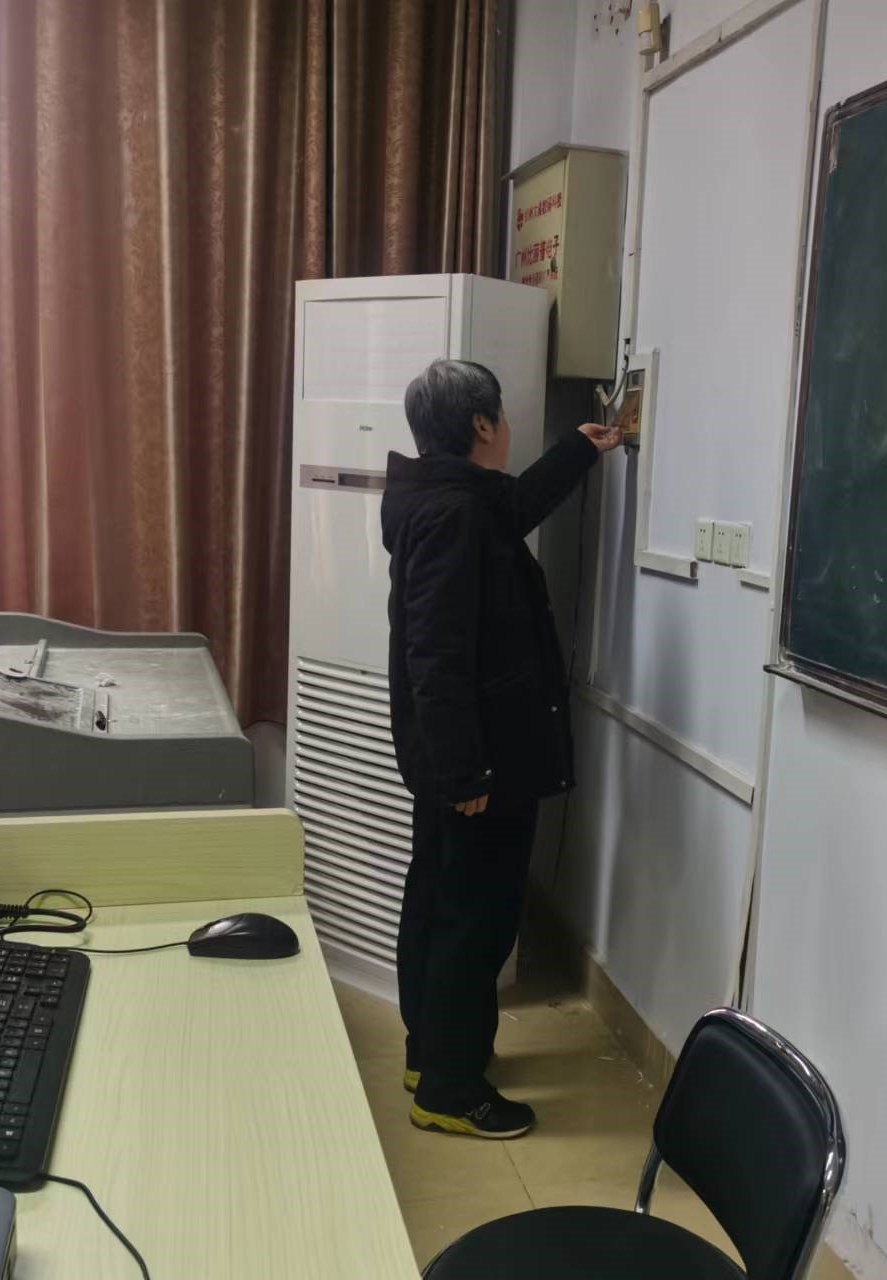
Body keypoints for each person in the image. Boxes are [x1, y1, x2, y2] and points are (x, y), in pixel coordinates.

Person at [381, 358, 621, 1138]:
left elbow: (510, 509)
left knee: (438, 901)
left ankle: (431, 1053)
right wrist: (467, 772)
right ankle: (450, 1092)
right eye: (504, 415)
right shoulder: (455, 515)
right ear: (482, 424)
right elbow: (436, 656)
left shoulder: (449, 499)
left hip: (453, 759)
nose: (508, 426)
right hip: (475, 764)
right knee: (473, 921)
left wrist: (577, 450)